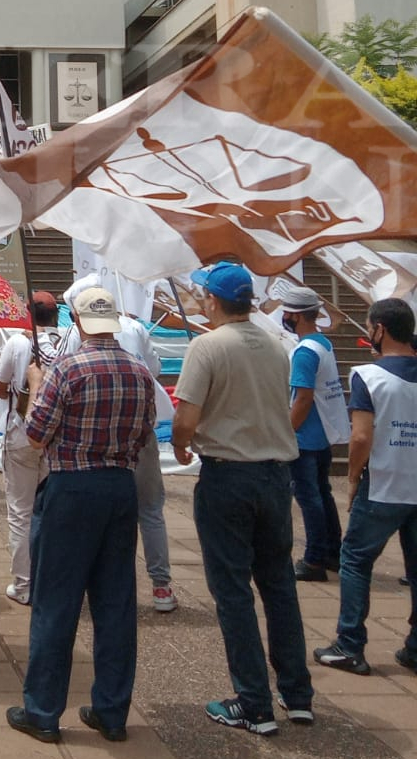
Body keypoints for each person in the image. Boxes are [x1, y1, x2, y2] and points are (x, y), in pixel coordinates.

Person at [6, 287, 155, 745]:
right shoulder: (139, 371)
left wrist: (33, 383)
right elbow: (147, 432)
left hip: (72, 488)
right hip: (118, 488)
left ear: (80, 321)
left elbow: (35, 435)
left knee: (56, 600)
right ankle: (111, 711)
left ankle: (44, 710)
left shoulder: (66, 369)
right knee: (115, 603)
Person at [171, 261, 313, 736]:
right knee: (278, 586)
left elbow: (186, 419)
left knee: (232, 591)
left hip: (228, 476)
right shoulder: (276, 346)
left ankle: (252, 702)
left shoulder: (206, 346)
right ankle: (296, 694)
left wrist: (180, 445)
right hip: (275, 475)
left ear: (212, 301)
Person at [60, 277, 177, 613]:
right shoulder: (136, 333)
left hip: (90, 439)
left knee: (90, 516)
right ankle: (161, 587)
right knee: (150, 511)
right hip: (138, 435)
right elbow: (153, 369)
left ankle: (87, 587)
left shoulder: (72, 343)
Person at [314, 298, 417, 675]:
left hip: (385, 482)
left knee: (356, 561)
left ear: (380, 330)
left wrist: (354, 478)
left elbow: (360, 437)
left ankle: (350, 644)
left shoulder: (368, 376)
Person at [0, 291, 61, 605]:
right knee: (48, 512)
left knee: (20, 513)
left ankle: (23, 584)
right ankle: (48, 577)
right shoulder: (69, 342)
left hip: (21, 433)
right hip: (57, 438)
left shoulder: (18, 343)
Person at [278, 283, 350, 583]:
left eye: (286, 313)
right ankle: (333, 552)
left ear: (295, 316)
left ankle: (315, 559)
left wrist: (286, 432)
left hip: (305, 437)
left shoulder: (304, 352)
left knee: (310, 498)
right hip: (322, 434)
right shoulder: (324, 344)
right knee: (322, 493)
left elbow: (303, 398)